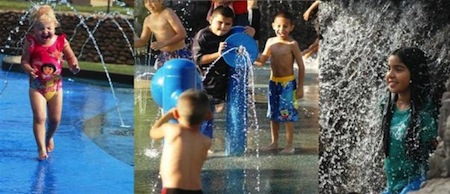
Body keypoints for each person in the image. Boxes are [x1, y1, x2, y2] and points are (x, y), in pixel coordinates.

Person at [20, 5, 80, 160]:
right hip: (37, 87)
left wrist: (73, 65)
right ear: (34, 29)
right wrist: (28, 69)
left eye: (48, 28)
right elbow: (24, 61)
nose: (45, 32)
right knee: (40, 118)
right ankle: (41, 149)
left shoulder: (61, 41)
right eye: (40, 28)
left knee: (55, 120)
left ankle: (48, 137)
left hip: (55, 87)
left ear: (55, 26)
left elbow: (71, 57)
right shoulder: (31, 43)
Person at [192, 5, 255, 142]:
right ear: (211, 20)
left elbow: (244, 38)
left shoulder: (231, 33)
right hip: (207, 82)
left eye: (228, 24)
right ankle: (204, 143)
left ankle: (234, 140)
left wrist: (252, 31)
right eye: (219, 22)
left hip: (227, 81)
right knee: (206, 114)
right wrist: (218, 54)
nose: (223, 27)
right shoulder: (203, 36)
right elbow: (198, 60)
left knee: (234, 111)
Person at [381, 47, 439, 194]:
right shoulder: (385, 106)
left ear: (414, 73)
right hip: (392, 186)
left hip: (416, 184)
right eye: (389, 69)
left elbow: (439, 150)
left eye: (398, 69)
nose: (390, 75)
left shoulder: (424, 115)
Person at [254, 11, 305, 154]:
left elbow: (301, 66)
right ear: (273, 26)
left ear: (291, 27)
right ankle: (274, 142)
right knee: (273, 114)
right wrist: (249, 57)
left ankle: (289, 145)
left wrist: (300, 88)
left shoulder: (292, 44)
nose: (281, 30)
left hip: (287, 84)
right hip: (273, 83)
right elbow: (262, 60)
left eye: (285, 26)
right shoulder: (270, 42)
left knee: (287, 115)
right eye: (278, 26)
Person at [149, 89, 212, 194]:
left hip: (173, 189)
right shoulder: (206, 141)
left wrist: (168, 114)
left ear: (177, 113)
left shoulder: (172, 130)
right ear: (208, 116)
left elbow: (153, 133)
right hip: (196, 190)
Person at [134, 0, 189, 69]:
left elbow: (182, 34)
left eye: (152, 1)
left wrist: (163, 43)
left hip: (179, 53)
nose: (149, 5)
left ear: (161, 1)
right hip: (164, 55)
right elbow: (143, 41)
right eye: (146, 2)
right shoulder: (148, 20)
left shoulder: (167, 13)